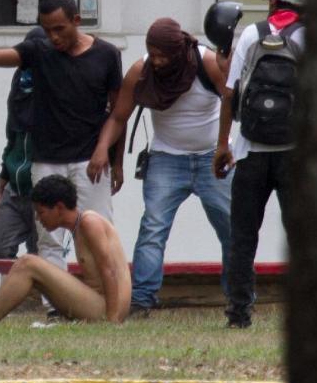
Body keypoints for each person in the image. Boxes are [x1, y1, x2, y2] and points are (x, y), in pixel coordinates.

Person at [0, 0, 123, 290]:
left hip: (89, 160)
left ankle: (106, 297)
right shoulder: (38, 51)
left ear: (76, 21)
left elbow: (118, 114)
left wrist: (110, 156)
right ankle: (56, 305)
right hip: (46, 162)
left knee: (96, 232)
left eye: (60, 29)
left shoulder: (106, 55)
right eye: (47, 30)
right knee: (48, 239)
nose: (53, 37)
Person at [87, 18, 231, 313]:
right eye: (152, 53)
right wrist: (102, 149)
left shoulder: (206, 63)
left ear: (179, 50)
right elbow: (118, 116)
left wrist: (224, 145)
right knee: (153, 227)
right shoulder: (142, 71)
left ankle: (240, 295)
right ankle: (142, 299)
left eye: (163, 54)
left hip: (210, 158)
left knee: (231, 227)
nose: (158, 60)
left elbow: (230, 100)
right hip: (167, 158)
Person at [213, 0, 307, 328]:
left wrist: (224, 145)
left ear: (272, 2)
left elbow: (230, 93)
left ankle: (239, 313)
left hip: (250, 150)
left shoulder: (252, 34)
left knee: (243, 235)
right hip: (295, 153)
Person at [0, 175, 131, 324]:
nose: (37, 218)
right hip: (102, 304)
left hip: (108, 309)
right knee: (31, 267)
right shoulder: (79, 227)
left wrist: (113, 319)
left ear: (59, 208)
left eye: (41, 212)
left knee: (27, 263)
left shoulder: (89, 222)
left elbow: (109, 270)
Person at [0, 27, 45, 260]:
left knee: (42, 252)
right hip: (14, 191)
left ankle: (43, 295)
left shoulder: (58, 99)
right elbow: (11, 144)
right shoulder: (19, 90)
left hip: (42, 191)